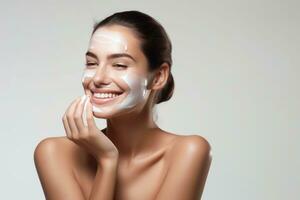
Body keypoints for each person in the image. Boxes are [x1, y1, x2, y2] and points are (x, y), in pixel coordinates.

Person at [34, 10, 212, 200]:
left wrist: (106, 160)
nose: (98, 78)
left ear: (159, 77)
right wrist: (107, 161)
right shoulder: (55, 153)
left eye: (119, 65)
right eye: (92, 63)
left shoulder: (188, 152)